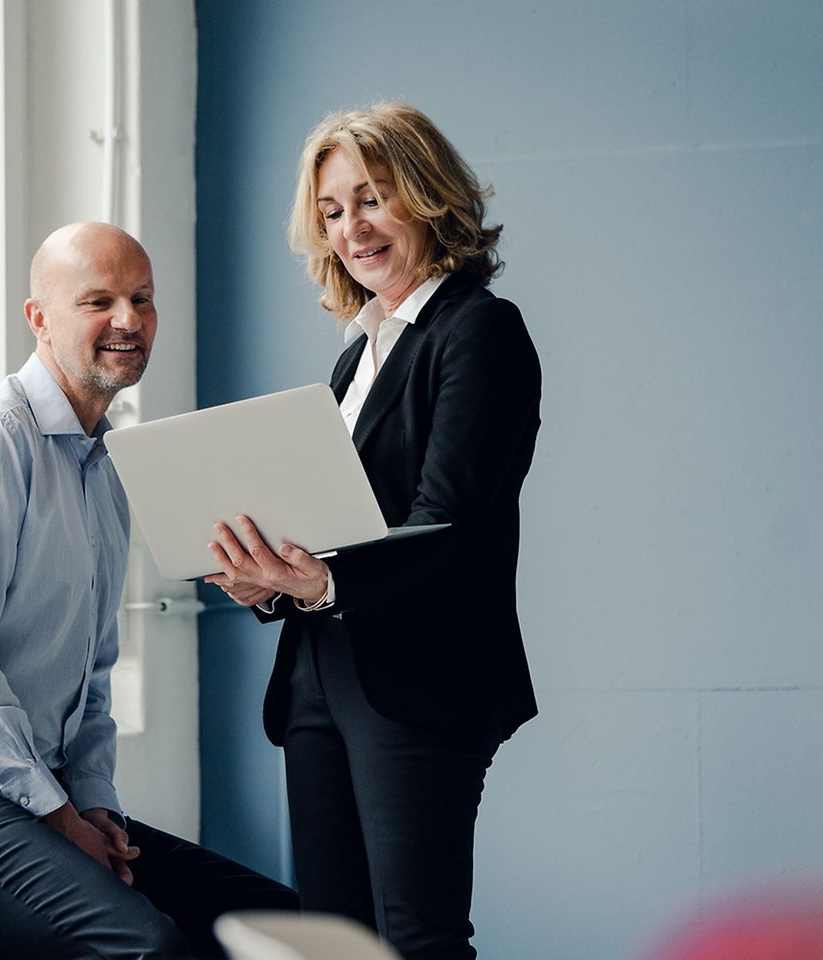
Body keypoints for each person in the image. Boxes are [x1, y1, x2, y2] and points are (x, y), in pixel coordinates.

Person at [0, 222, 295, 960]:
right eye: (98, 300)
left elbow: (91, 683)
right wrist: (54, 813)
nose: (128, 320)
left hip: (21, 789)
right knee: (143, 949)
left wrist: (96, 807)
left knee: (278, 923)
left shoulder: (103, 473)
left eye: (142, 299)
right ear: (38, 318)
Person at [204, 103, 541, 960]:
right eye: (331, 211)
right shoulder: (357, 356)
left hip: (422, 676)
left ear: (426, 198)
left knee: (415, 940)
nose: (351, 228)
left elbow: (449, 524)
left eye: (371, 198)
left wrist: (319, 583)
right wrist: (268, 581)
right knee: (330, 942)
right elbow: (337, 531)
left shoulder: (479, 332)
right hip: (320, 674)